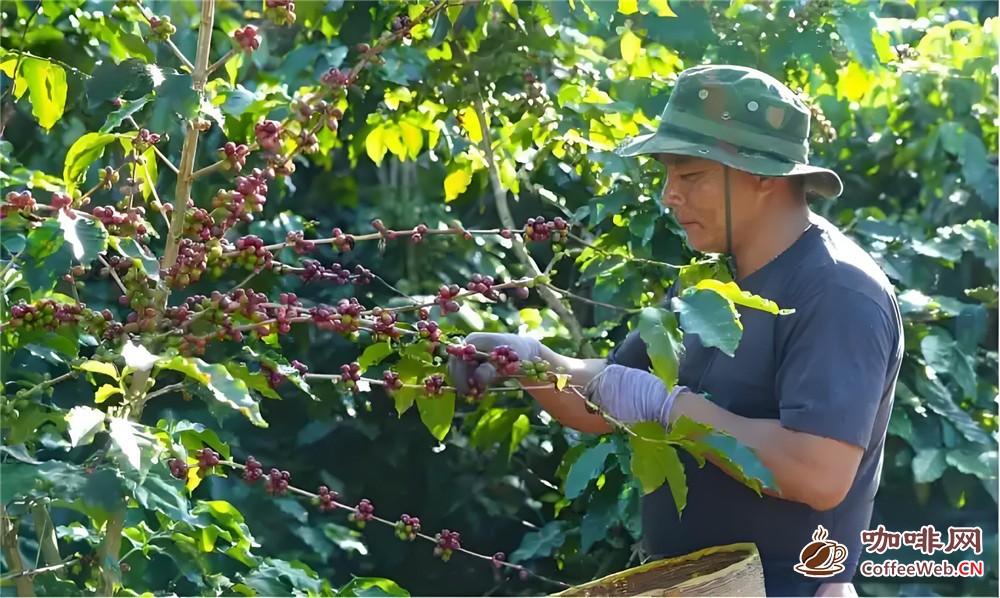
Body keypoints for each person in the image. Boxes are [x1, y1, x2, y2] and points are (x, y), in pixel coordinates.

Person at [447, 64, 904, 597]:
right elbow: (616, 393)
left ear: (762, 176)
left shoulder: (836, 292)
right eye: (667, 176)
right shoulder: (712, 276)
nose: (669, 196)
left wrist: (670, 406)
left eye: (690, 177)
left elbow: (818, 474)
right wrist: (530, 361)